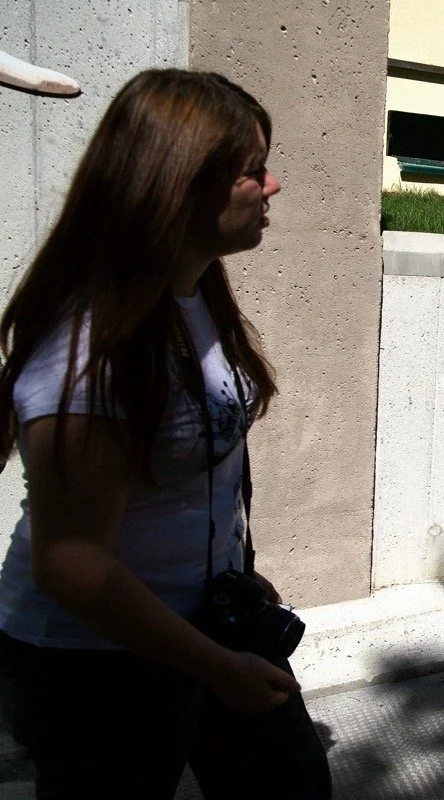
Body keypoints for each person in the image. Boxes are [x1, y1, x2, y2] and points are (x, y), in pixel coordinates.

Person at [0, 69, 331, 798]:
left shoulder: (192, 290)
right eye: (253, 170)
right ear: (181, 185)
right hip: (96, 663)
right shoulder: (88, 352)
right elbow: (71, 565)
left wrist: (228, 569)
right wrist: (219, 669)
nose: (272, 185)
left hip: (204, 622)